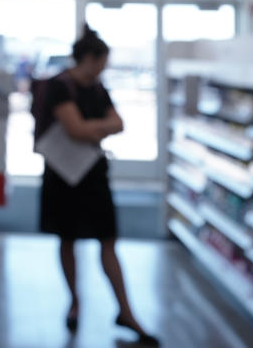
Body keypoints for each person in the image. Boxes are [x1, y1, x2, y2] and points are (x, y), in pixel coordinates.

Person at [37, 25, 160, 346]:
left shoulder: (96, 88)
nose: (104, 68)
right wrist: (97, 128)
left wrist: (93, 129)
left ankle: (126, 311)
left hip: (92, 175)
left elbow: (119, 123)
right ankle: (75, 302)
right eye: (103, 61)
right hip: (63, 176)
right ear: (89, 58)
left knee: (108, 239)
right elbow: (77, 131)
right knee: (67, 239)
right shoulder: (60, 87)